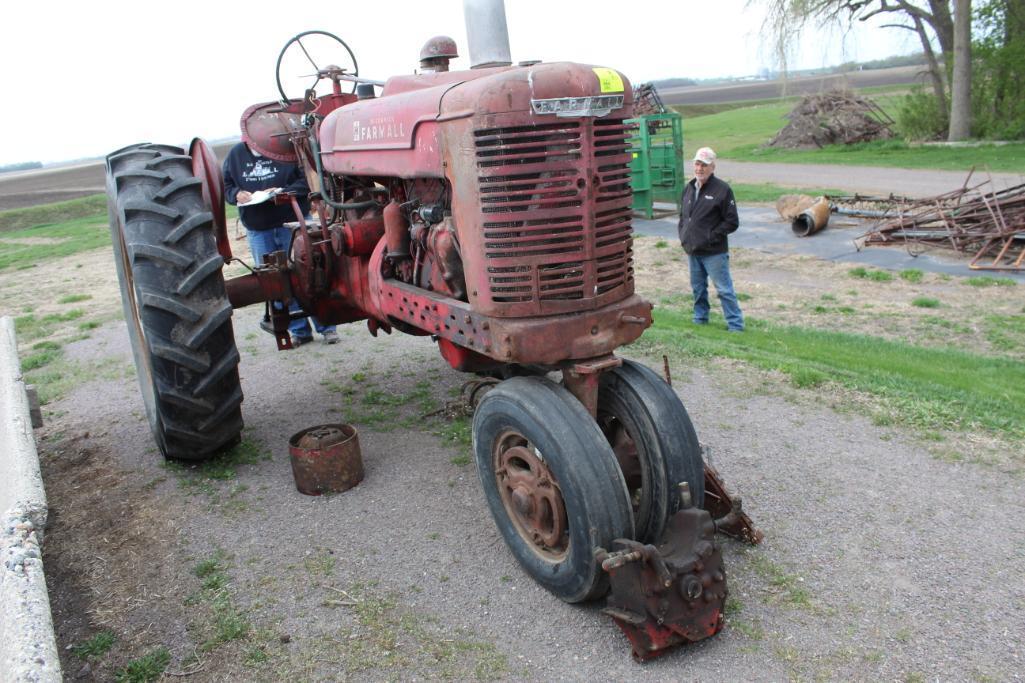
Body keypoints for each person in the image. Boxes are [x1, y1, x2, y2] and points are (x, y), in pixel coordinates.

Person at [223, 139, 338, 346]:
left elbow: (308, 181)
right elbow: (227, 186)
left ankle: (327, 327)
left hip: (292, 223)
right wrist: (236, 194)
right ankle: (298, 331)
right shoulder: (235, 155)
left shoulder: (285, 149)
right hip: (259, 229)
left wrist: (283, 191)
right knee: (276, 282)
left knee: (310, 272)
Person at [678, 146, 744, 332]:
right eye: (697, 164)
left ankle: (736, 326)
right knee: (698, 289)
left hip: (714, 253)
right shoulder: (689, 188)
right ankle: (700, 318)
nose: (700, 168)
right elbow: (683, 217)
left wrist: (710, 237)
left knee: (724, 290)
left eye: (704, 165)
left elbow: (732, 222)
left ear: (712, 167)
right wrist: (684, 236)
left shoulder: (722, 190)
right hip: (693, 251)